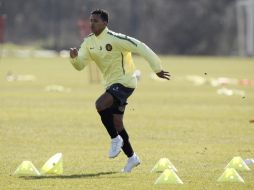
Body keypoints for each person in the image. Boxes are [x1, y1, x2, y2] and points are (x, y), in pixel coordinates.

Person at [70, 9, 170, 173]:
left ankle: (115, 139)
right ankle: (132, 158)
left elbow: (141, 47)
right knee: (117, 122)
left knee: (100, 104)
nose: (92, 23)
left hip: (126, 82)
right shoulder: (88, 43)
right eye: (91, 20)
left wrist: (157, 68)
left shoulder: (116, 39)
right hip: (110, 85)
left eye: (95, 20)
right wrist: (74, 58)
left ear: (105, 23)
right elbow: (80, 65)